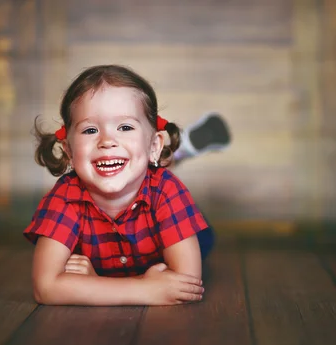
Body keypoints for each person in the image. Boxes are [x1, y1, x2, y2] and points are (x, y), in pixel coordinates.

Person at [24, 64, 229, 306]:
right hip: (142, 247)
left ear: (155, 143)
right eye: (90, 130)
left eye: (125, 127)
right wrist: (146, 288)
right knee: (132, 165)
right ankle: (162, 156)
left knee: (153, 177)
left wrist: (93, 284)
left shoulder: (168, 191)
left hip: (174, 231)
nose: (108, 141)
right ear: (68, 150)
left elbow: (185, 283)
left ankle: (171, 154)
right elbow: (45, 288)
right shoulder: (64, 198)